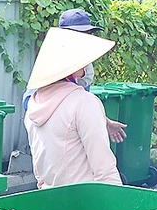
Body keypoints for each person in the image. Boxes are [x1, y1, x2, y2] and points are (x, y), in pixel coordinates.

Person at [25, 27, 122, 187]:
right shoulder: (84, 102)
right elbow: (104, 168)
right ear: (75, 67)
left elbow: (39, 172)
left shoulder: (33, 104)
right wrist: (119, 205)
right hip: (85, 202)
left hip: (50, 199)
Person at [23, 8, 127, 144]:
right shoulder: (51, 65)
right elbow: (30, 104)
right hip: (50, 141)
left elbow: (82, 102)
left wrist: (104, 122)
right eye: (80, 34)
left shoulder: (84, 65)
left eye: (88, 34)